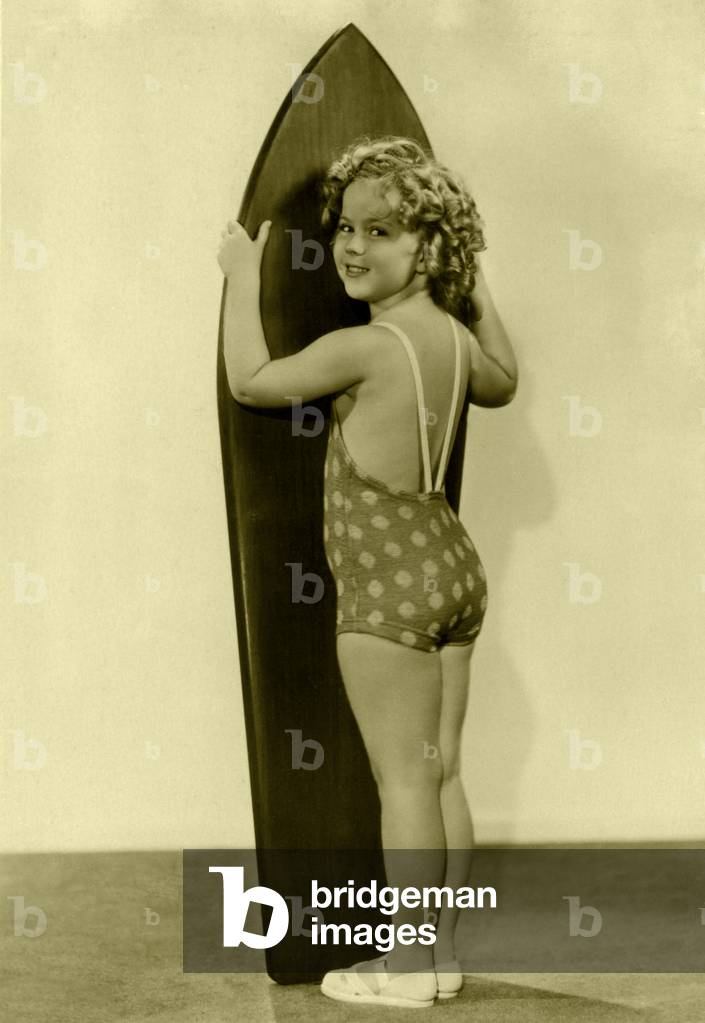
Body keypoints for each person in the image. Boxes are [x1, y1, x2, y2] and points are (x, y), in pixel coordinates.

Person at [217, 136, 517, 1008]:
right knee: (442, 770)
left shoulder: (369, 345)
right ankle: (443, 953)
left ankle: (411, 967)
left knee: (403, 781)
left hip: (388, 586)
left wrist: (242, 275)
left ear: (426, 246)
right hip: (452, 566)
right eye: (346, 227)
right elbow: (505, 380)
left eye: (380, 231)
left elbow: (251, 380)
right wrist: (474, 276)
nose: (352, 246)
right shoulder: (455, 340)